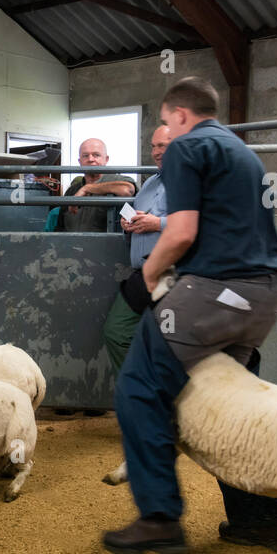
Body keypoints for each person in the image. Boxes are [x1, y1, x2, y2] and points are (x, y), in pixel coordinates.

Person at [106, 77, 277, 554]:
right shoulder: (242, 153)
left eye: (168, 123)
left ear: (181, 115)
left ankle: (159, 519)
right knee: (225, 411)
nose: (167, 137)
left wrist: (148, 276)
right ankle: (262, 523)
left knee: (136, 386)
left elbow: (182, 231)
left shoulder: (190, 148)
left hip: (213, 291)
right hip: (261, 298)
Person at [103, 125, 171, 371]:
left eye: (162, 145)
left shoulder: (193, 181)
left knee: (173, 343)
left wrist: (158, 223)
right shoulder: (150, 182)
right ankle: (138, 395)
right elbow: (138, 217)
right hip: (144, 273)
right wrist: (127, 224)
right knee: (116, 332)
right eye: (153, 146)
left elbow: (202, 221)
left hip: (173, 273)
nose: (156, 152)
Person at [47, 138, 137, 232]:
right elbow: (60, 227)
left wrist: (87, 188)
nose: (90, 159)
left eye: (96, 155)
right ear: (79, 161)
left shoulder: (118, 180)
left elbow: (127, 190)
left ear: (106, 159)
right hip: (73, 245)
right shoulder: (72, 190)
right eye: (85, 156)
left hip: (106, 246)